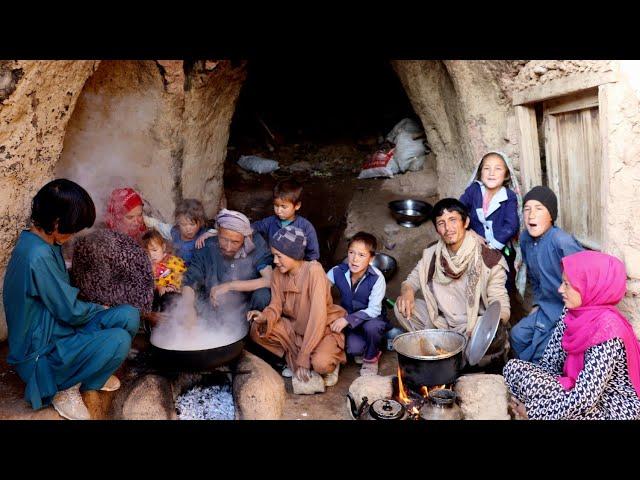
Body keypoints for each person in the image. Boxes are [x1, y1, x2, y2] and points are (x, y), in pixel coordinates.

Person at [3, 179, 139, 420]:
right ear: (56, 223)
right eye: (72, 228)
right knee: (118, 340)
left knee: (128, 315)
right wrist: (100, 308)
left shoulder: (44, 241)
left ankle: (89, 374)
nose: (74, 234)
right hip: (39, 353)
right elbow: (71, 312)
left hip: (56, 329)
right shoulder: (38, 255)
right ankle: (65, 387)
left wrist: (98, 308)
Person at [503, 251, 640, 420]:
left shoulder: (608, 330)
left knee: (572, 411)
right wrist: (540, 389)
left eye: (567, 284)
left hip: (609, 407)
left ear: (589, 286)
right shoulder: (572, 312)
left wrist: (535, 411)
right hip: (574, 388)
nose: (560, 289)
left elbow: (584, 399)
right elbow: (550, 363)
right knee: (513, 369)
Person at [394, 198, 511, 363]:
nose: (448, 228)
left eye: (453, 220)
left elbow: (500, 302)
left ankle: (452, 355)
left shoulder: (488, 258)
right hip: (442, 324)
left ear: (466, 222)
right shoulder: (432, 254)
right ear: (437, 229)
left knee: (486, 333)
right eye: (441, 223)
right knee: (401, 307)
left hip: (472, 327)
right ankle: (443, 349)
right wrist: (407, 292)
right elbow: (412, 280)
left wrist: (492, 328)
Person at [247, 226, 346, 388]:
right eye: (274, 256)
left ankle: (328, 364)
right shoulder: (278, 274)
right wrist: (265, 316)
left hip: (322, 329)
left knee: (321, 364)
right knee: (257, 329)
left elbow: (317, 317)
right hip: (295, 329)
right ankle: (296, 359)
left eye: (279, 256)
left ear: (294, 254)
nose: (275, 261)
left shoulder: (314, 271)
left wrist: (304, 356)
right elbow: (275, 306)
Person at [509, 186, 583, 363]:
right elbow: (534, 278)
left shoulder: (562, 242)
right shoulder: (526, 239)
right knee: (517, 336)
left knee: (542, 352)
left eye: (539, 208)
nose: (531, 215)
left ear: (551, 215)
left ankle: (537, 382)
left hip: (566, 311)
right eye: (527, 209)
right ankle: (525, 375)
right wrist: (536, 303)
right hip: (545, 308)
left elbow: (584, 279)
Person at [181, 209, 273, 326]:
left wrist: (229, 286)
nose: (228, 247)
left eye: (235, 242)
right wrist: (188, 309)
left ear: (245, 238)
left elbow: (270, 280)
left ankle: (252, 329)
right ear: (217, 232)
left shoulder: (256, 244)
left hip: (247, 307)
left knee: (263, 295)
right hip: (215, 306)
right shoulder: (206, 247)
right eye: (224, 239)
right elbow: (189, 282)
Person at [459, 151, 524, 294]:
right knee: (471, 279)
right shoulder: (474, 190)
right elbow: (459, 210)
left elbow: (511, 225)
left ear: (506, 174)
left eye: (498, 169)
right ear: (480, 172)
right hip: (474, 244)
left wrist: (492, 246)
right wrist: (469, 232)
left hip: (499, 249)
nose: (491, 173)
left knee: (501, 281)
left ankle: (500, 311)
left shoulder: (509, 196)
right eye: (487, 168)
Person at [327, 231, 387, 376]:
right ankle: (362, 346)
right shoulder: (337, 271)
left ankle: (372, 357)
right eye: (351, 252)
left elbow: (374, 310)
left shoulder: (377, 278)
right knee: (354, 349)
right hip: (349, 323)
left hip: (370, 320)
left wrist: (347, 319)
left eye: (361, 255)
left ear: (371, 258)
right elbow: (320, 290)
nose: (354, 259)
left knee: (374, 327)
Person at [250, 178, 321, 261]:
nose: (279, 211)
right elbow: (253, 227)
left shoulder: (305, 227)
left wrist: (305, 268)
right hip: (273, 263)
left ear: (297, 205)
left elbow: (313, 254)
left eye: (284, 207)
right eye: (276, 206)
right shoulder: (270, 221)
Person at [143, 198, 215, 266]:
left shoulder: (202, 234)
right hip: (176, 269)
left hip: (194, 273)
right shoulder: (175, 232)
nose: (188, 229)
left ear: (200, 222)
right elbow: (159, 226)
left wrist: (208, 234)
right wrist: (144, 219)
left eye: (192, 224)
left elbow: (220, 232)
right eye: (183, 224)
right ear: (178, 224)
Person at [141, 229, 187, 311]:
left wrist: (173, 287)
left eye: (155, 250)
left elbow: (182, 277)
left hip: (173, 294)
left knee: (171, 298)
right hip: (155, 297)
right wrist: (158, 287)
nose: (151, 255)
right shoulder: (144, 267)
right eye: (147, 252)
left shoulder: (174, 261)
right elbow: (143, 283)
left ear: (163, 247)